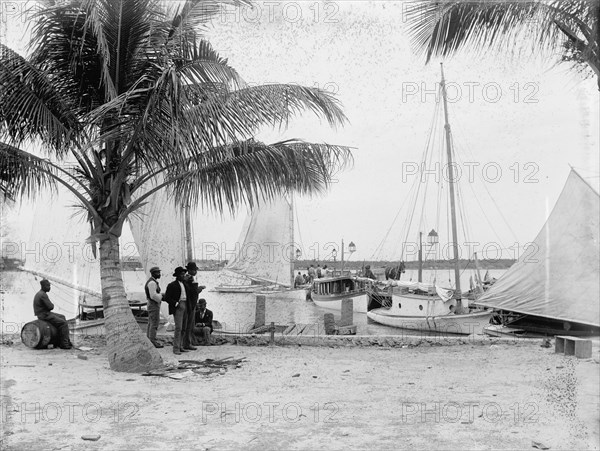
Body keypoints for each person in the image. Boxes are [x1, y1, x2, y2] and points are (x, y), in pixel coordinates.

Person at [33, 279, 72, 349]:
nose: (49, 287)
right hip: (44, 315)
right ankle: (64, 344)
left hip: (43, 313)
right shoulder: (43, 295)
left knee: (62, 316)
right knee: (63, 323)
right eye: (48, 286)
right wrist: (51, 305)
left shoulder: (40, 293)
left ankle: (64, 341)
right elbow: (51, 307)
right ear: (43, 286)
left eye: (49, 286)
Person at [163, 267, 189, 355]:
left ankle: (181, 346)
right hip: (178, 306)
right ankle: (176, 348)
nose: (183, 276)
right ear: (177, 275)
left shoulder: (185, 284)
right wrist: (176, 303)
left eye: (184, 274)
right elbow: (167, 297)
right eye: (181, 274)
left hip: (185, 305)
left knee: (184, 328)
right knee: (179, 328)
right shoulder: (172, 285)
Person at [181, 262, 206, 350]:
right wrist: (199, 289)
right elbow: (191, 292)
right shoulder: (188, 278)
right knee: (189, 325)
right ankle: (187, 343)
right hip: (190, 305)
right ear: (191, 270)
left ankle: (187, 343)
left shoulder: (189, 278)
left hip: (192, 304)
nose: (196, 272)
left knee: (189, 325)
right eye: (195, 270)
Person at [144, 266, 163, 348]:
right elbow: (153, 296)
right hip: (153, 304)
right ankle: (152, 341)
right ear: (153, 273)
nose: (159, 274)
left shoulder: (152, 282)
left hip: (151, 304)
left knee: (151, 322)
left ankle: (149, 339)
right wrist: (161, 296)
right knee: (154, 323)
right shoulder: (152, 283)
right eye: (158, 272)